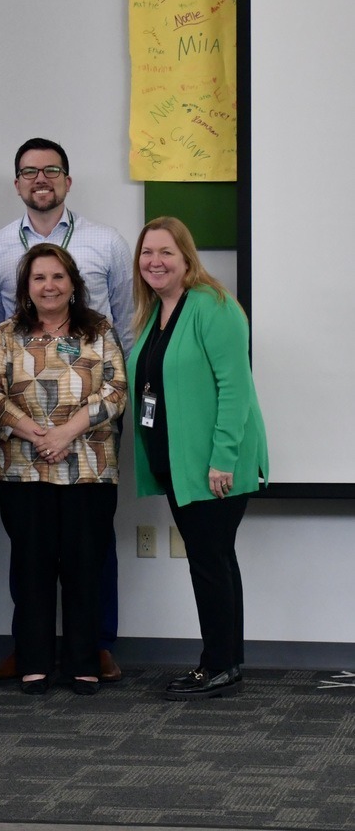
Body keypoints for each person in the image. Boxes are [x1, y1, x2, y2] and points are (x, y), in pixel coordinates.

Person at [0, 136, 133, 681]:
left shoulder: (107, 245)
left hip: (88, 457)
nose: (40, 180)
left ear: (67, 179)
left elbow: (119, 373)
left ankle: (93, 652)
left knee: (90, 561)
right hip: (24, 461)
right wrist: (32, 430)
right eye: (29, 172)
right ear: (17, 182)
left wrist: (67, 432)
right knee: (31, 565)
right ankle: (35, 655)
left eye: (51, 171)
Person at [126, 217, 269, 700]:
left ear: (187, 256)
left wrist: (222, 458)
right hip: (177, 461)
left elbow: (236, 390)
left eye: (165, 252)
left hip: (214, 464)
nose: (155, 262)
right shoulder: (155, 313)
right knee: (214, 559)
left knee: (209, 562)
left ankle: (218, 666)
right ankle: (226, 661)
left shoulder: (214, 306)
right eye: (147, 253)